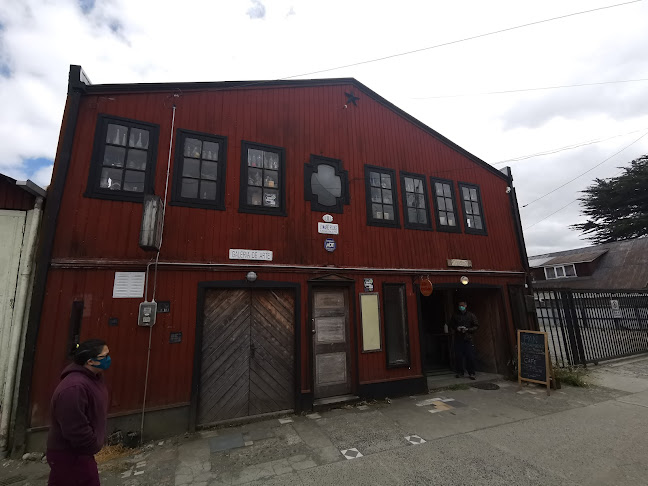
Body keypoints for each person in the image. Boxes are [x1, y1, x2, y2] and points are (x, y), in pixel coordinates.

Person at [46, 339, 110, 486]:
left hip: (81, 453)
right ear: (90, 361)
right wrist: (92, 445)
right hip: (70, 455)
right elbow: (75, 428)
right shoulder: (74, 388)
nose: (108, 359)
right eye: (104, 356)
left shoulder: (93, 378)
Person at [449, 301, 479, 380]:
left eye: (462, 305)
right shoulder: (455, 315)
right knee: (458, 356)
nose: (461, 307)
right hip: (458, 338)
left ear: (465, 306)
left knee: (470, 356)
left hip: (468, 338)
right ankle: (460, 372)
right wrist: (457, 328)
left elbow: (476, 326)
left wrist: (468, 329)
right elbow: (451, 324)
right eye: (459, 306)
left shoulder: (471, 315)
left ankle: (471, 373)